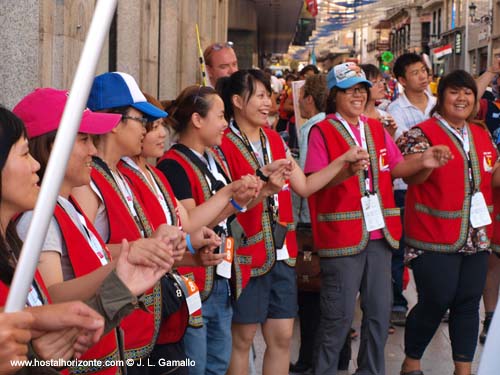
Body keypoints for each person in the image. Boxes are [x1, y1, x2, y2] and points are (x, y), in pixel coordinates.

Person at [13, 87, 177, 374]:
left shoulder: (70, 205)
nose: (92, 149)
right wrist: (122, 267)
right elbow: (51, 298)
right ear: (51, 147)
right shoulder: (37, 218)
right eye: (84, 140)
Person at [216, 69, 369, 375]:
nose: (267, 103)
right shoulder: (223, 144)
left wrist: (342, 163)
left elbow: (306, 187)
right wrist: (263, 183)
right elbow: (225, 206)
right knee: (243, 338)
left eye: (267, 96)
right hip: (246, 254)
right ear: (236, 101)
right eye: (259, 96)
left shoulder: (275, 139)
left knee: (283, 335)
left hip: (283, 253)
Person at [306, 62, 451, 375]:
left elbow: (396, 169)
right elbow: (313, 182)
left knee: (379, 315)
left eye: (361, 89)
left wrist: (423, 160)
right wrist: (344, 170)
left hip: (380, 235)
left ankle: (372, 371)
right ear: (334, 95)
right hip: (342, 236)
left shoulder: (374, 128)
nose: (358, 96)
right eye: (349, 91)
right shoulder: (323, 130)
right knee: (338, 318)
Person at [397, 70, 499, 375]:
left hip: (477, 237)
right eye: (455, 92)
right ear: (440, 98)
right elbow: (408, 175)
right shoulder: (420, 133)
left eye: (468, 93)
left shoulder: (480, 134)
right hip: (432, 235)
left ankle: (463, 368)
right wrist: (426, 161)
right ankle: (412, 359)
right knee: (436, 299)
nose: (462, 98)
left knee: (469, 303)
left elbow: (492, 178)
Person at [155, 85, 260, 375]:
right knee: (197, 366)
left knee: (217, 364)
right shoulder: (173, 165)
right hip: (194, 282)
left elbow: (223, 214)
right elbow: (190, 224)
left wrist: (253, 192)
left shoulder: (216, 158)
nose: (226, 124)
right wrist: (228, 194)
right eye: (221, 115)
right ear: (197, 120)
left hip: (220, 277)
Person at [0, 106, 107, 373]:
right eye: (24, 154)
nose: (35, 164)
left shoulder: (12, 242)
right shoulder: (36, 219)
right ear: (51, 147)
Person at [386, 53, 438, 327]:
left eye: (424, 70)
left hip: (436, 187)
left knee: (432, 247)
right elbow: (405, 148)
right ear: (402, 80)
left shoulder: (439, 104)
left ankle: (433, 300)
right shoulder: (395, 110)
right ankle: (397, 301)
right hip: (403, 189)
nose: (422, 75)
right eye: (415, 72)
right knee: (399, 247)